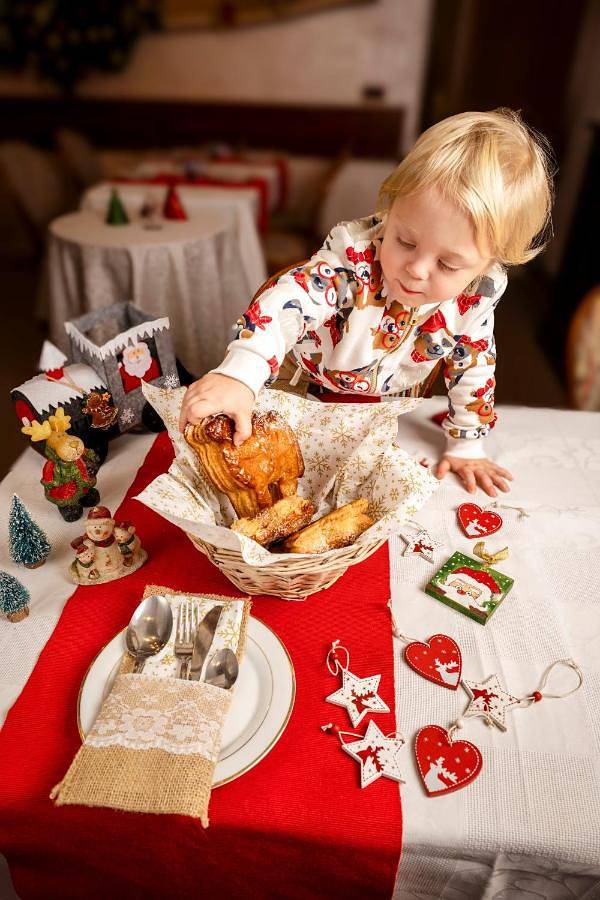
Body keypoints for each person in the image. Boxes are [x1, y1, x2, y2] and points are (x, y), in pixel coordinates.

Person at [179, 109, 554, 497]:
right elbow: (288, 301)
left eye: (448, 263)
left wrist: (466, 445)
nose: (417, 269)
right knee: (269, 472)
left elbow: (472, 363)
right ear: (391, 210)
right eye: (405, 241)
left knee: (362, 485)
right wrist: (241, 373)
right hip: (300, 378)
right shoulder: (352, 262)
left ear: (492, 259)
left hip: (386, 395)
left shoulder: (479, 292)